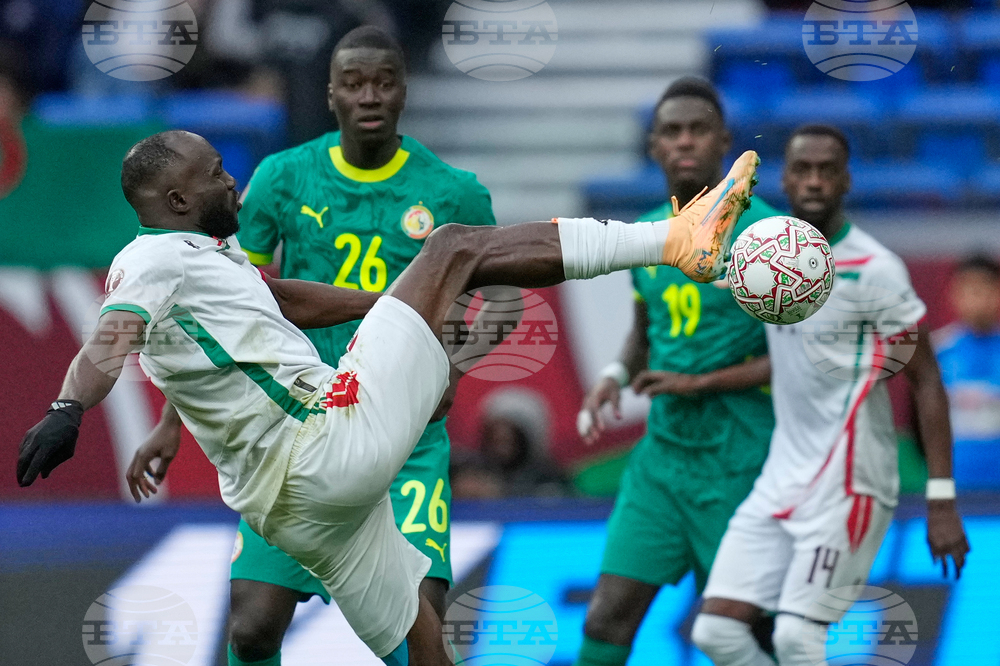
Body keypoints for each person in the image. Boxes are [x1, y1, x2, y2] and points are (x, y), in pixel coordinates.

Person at [16, 129, 760, 665]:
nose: (231, 181)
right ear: (177, 197)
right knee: (453, 247)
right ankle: (672, 241)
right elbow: (113, 335)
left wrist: (393, 303)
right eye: (215, 174)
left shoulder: (205, 259)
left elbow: (281, 301)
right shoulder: (150, 259)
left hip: (296, 511)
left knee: (420, 644)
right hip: (324, 442)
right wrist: (67, 407)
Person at [126, 25, 499, 666]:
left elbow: (503, 297)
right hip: (297, 428)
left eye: (384, 82)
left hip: (408, 432)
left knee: (420, 624)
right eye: (354, 83)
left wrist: (454, 373)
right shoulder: (282, 178)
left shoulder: (453, 191)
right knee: (251, 627)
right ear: (331, 94)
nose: (370, 96)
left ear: (405, 90)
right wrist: (170, 422)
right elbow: (230, 305)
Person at [691, 125, 969, 666]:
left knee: (797, 640)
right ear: (786, 179)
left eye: (827, 169)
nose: (814, 180)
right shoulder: (767, 254)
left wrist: (941, 499)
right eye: (803, 169)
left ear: (847, 180)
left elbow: (927, 380)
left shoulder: (877, 269)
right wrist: (700, 382)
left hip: (851, 483)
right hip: (781, 476)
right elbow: (800, 355)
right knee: (715, 634)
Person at [573, 77, 781, 666]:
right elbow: (648, 327)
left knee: (750, 634)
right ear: (654, 145)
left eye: (698, 129)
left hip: (741, 459)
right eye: (672, 131)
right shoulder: (646, 234)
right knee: (607, 615)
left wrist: (699, 383)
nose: (685, 141)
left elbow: (800, 358)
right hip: (663, 461)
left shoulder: (770, 239)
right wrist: (616, 371)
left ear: (724, 141)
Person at [934, 255, 1000, 490]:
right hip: (956, 487)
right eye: (969, 289)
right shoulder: (937, 351)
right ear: (954, 294)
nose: (977, 297)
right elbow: (918, 422)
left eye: (985, 288)